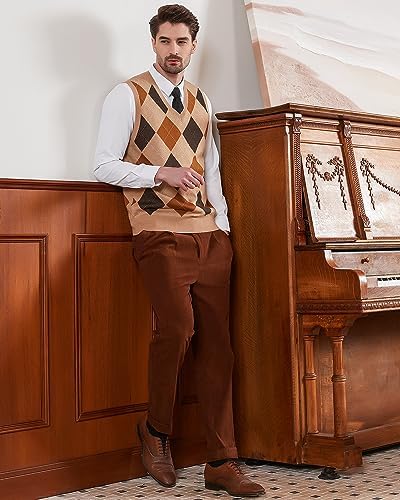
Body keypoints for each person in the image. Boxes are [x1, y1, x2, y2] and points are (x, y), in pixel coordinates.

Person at [93, 4, 265, 498]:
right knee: (178, 329)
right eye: (165, 41)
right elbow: (102, 165)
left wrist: (223, 229)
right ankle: (155, 431)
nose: (173, 50)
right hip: (157, 233)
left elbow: (211, 170)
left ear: (193, 45)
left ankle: (222, 461)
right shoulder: (126, 95)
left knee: (219, 346)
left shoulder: (201, 100)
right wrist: (158, 173)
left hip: (209, 236)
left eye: (181, 42)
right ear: (153, 43)